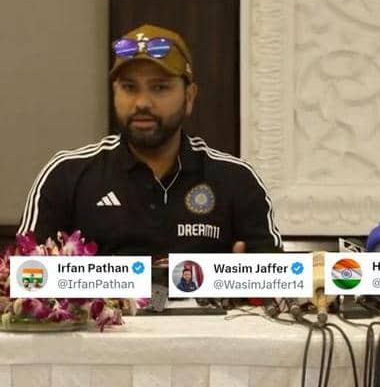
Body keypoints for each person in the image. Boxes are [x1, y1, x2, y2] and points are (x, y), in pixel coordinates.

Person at [16, 24, 282, 257]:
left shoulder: (236, 180)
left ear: (189, 97)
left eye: (160, 87)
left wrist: (246, 280)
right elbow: (25, 279)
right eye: (129, 87)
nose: (142, 102)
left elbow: (277, 283)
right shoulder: (67, 175)